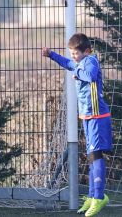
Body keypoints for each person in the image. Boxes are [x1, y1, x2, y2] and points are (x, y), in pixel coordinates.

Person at [42, 33, 112, 217]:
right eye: (72, 53)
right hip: (87, 116)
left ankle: (99, 197)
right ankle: (92, 195)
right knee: (91, 156)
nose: (73, 56)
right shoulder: (80, 62)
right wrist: (51, 55)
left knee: (96, 155)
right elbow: (68, 63)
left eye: (76, 53)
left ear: (87, 51)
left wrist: (77, 72)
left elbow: (88, 75)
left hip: (97, 116)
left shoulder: (90, 61)